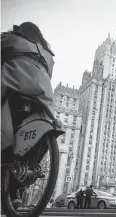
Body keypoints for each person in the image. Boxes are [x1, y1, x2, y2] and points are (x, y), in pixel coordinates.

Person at [1, 22, 55, 207]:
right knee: (40, 135)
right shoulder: (48, 54)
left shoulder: (10, 38)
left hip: (13, 86)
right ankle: (17, 188)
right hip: (41, 97)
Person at [1, 22, 55, 150]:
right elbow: (49, 75)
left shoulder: (12, 38)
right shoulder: (48, 55)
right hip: (43, 90)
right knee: (46, 117)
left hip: (15, 78)